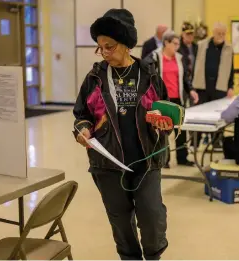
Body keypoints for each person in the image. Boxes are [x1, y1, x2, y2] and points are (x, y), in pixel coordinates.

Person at [73, 9, 171, 260]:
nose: (104, 52)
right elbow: (81, 114)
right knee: (120, 221)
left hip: (146, 160)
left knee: (151, 216)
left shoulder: (149, 76)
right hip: (108, 164)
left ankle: (153, 257)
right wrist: (82, 129)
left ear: (126, 44)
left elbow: (166, 112)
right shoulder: (95, 78)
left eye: (110, 46)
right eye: (100, 48)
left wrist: (165, 123)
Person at [146, 30, 199, 168]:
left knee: (180, 130)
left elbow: (185, 78)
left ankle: (182, 158)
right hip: (163, 100)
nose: (177, 46)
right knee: (164, 130)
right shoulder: (154, 57)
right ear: (166, 43)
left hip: (178, 98)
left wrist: (191, 90)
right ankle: (164, 159)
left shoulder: (179, 58)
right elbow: (146, 75)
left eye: (178, 44)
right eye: (174, 43)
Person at [192, 22, 235, 148]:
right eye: (218, 33)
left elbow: (231, 69)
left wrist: (231, 86)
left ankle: (216, 143)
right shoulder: (201, 45)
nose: (221, 35)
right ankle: (195, 143)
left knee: (217, 116)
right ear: (213, 33)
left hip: (219, 87)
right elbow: (194, 65)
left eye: (223, 33)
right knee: (199, 115)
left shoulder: (229, 48)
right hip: (202, 86)